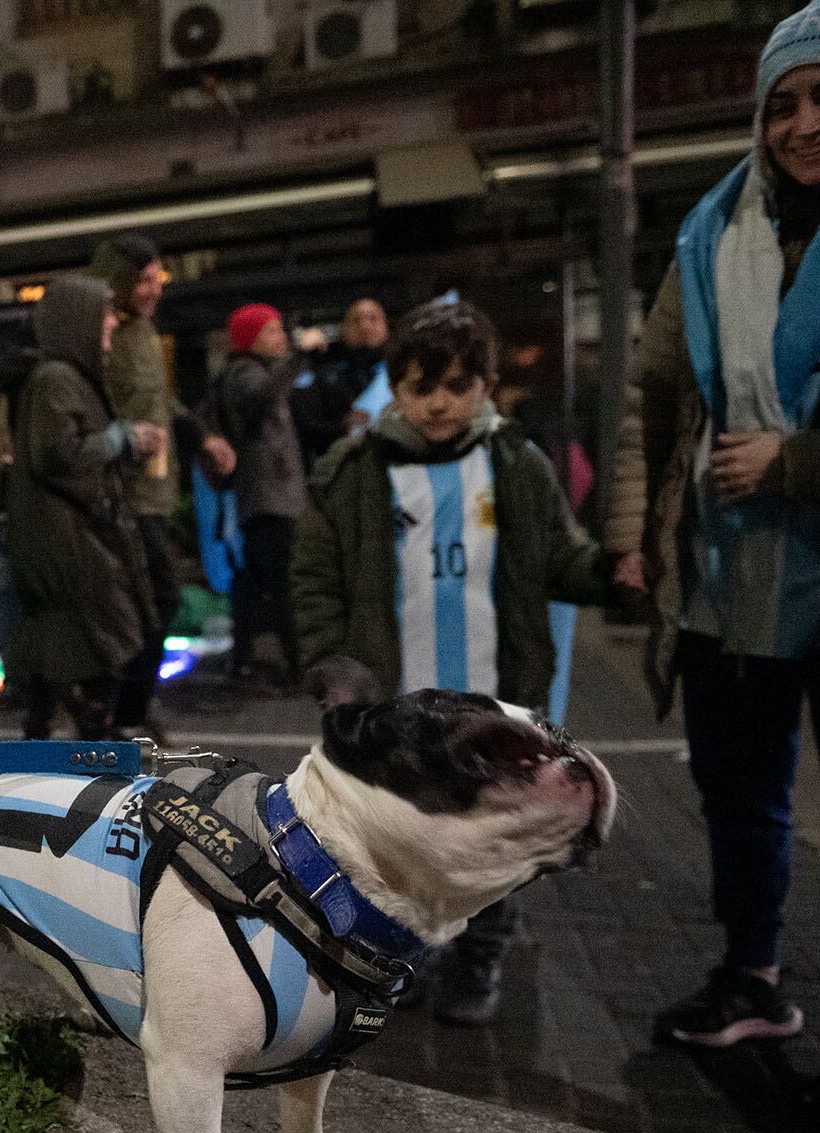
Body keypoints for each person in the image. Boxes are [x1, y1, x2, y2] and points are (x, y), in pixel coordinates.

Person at [292, 299, 617, 1024]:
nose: (438, 402)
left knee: (502, 835)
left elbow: (560, 557)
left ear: (487, 384)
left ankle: (483, 954)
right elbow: (315, 577)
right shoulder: (354, 471)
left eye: (458, 384)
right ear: (394, 388)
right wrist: (333, 665)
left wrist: (613, 573)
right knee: (412, 835)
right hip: (404, 710)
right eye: (418, 385)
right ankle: (417, 948)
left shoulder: (516, 464)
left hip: (500, 701)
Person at [604, 2, 820, 1047]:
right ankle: (752, 977)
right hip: (727, 577)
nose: (805, 123)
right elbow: (648, 397)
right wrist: (633, 533)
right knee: (739, 792)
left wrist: (796, 460)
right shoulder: (708, 233)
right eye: (785, 104)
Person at [6, 275, 162, 740]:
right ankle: (92, 735)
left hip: (66, 534)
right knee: (102, 635)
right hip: (65, 539)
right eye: (105, 314)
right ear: (80, 321)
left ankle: (47, 734)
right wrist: (123, 438)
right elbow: (58, 454)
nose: (113, 322)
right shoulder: (57, 379)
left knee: (69, 639)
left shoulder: (68, 378)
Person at [90, 234, 232, 740]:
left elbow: (160, 402)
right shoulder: (100, 335)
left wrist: (203, 436)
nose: (154, 290)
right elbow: (89, 414)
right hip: (121, 496)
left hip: (153, 492)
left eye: (158, 280)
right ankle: (118, 712)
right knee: (155, 602)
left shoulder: (145, 331)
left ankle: (125, 710)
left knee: (152, 603)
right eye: (144, 280)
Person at [205, 303, 320, 687]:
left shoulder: (257, 373)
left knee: (256, 582)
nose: (281, 338)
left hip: (273, 497)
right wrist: (300, 355)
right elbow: (263, 398)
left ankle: (244, 660)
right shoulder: (244, 374)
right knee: (283, 581)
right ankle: (295, 665)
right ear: (252, 339)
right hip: (267, 498)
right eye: (272, 332)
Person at [292, 296, 388, 468]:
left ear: (385, 326)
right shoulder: (322, 373)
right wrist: (341, 427)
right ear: (344, 328)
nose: (365, 326)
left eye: (373, 319)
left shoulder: (401, 369)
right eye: (356, 320)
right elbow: (306, 428)